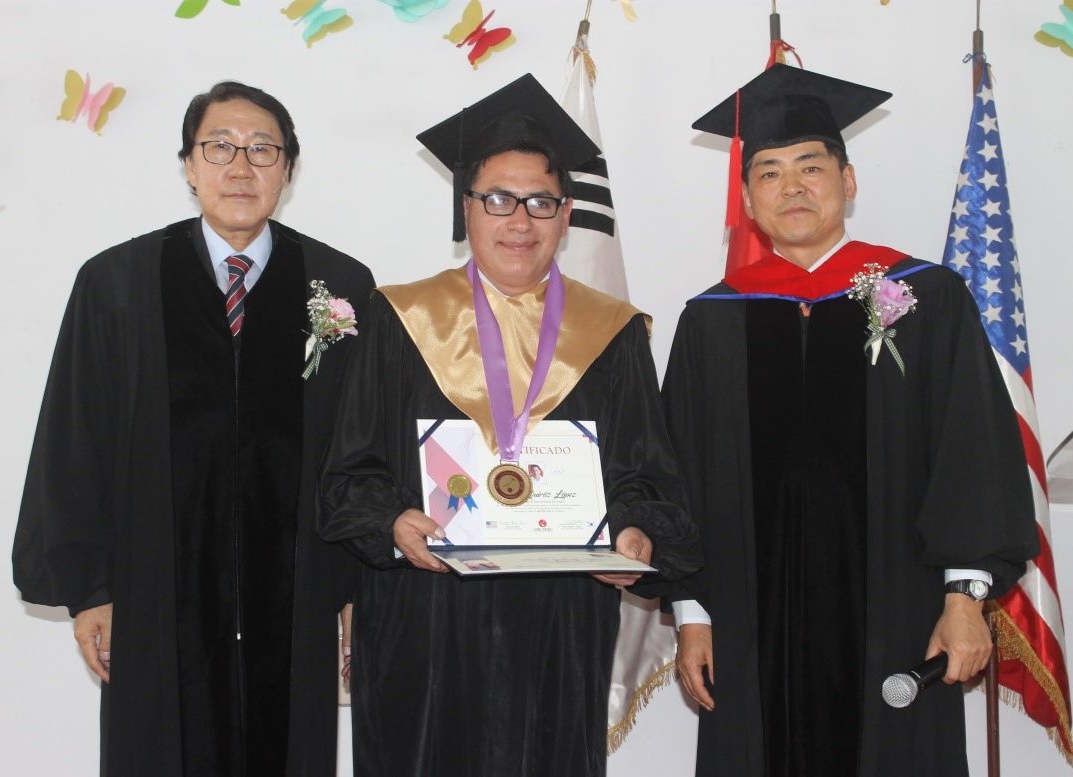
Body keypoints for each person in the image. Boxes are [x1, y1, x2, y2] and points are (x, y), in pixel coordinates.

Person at [318, 74, 702, 777]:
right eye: (498, 199)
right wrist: (392, 523)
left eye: (540, 202)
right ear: (465, 208)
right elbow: (350, 475)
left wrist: (635, 532)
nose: (519, 221)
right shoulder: (400, 319)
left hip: (559, 621)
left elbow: (649, 477)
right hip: (424, 617)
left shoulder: (613, 333)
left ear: (566, 214)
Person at [664, 64, 1039, 777]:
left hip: (899, 615)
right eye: (769, 173)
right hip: (748, 623)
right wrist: (691, 613)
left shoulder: (924, 297)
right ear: (747, 198)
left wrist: (965, 597)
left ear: (848, 179)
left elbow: (971, 451)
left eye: (811, 166)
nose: (792, 186)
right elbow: (681, 476)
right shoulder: (711, 320)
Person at [12, 81, 374, 777]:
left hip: (296, 599)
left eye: (263, 149)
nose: (241, 166)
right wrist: (91, 589)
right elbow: (74, 439)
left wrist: (358, 588)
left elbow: (360, 450)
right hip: (153, 593)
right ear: (188, 164)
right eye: (219, 147)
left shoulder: (339, 285)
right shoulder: (117, 283)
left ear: (288, 169)